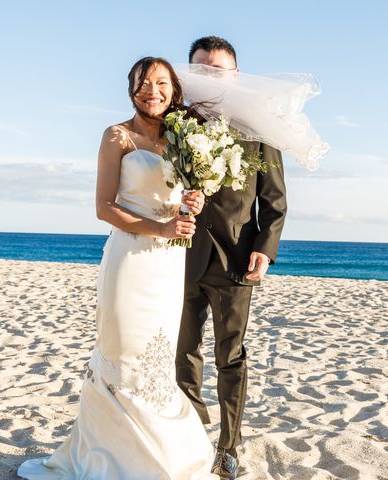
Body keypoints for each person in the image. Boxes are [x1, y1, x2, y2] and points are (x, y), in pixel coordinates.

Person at [18, 57, 215, 480]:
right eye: (144, 83)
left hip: (168, 261)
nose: (153, 90)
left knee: (158, 357)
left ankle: (157, 457)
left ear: (174, 92)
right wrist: (159, 225)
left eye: (162, 83)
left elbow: (177, 197)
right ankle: (111, 457)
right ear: (131, 88)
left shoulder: (185, 139)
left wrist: (190, 204)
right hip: (129, 259)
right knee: (123, 352)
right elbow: (104, 207)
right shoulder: (116, 136)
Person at [176, 36, 288, 480]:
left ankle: (229, 445)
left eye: (216, 70)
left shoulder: (259, 128)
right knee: (182, 352)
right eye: (200, 69)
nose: (208, 76)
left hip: (235, 260)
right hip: (177, 255)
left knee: (231, 356)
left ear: (235, 75)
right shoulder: (174, 121)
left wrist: (264, 249)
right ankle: (187, 436)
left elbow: (274, 203)